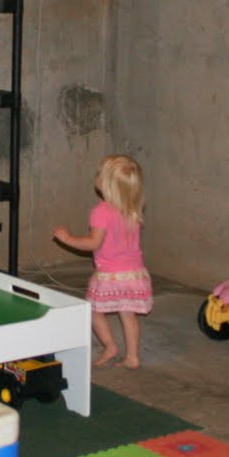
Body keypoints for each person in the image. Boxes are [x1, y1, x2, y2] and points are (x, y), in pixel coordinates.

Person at [52, 154, 153, 369]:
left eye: (99, 174)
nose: (96, 176)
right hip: (135, 273)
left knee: (92, 310)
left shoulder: (100, 212)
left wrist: (67, 238)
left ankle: (110, 346)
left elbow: (93, 243)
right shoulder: (132, 209)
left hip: (110, 275)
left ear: (106, 184)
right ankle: (132, 357)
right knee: (128, 314)